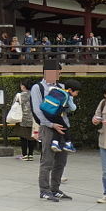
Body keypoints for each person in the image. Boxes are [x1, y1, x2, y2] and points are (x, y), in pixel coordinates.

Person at [29, 67, 74, 202]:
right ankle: (44, 190)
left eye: (59, 73)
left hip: (63, 126)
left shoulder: (62, 86)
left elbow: (68, 107)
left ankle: (55, 188)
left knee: (61, 160)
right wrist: (51, 124)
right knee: (47, 160)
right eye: (56, 72)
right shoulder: (38, 88)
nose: (58, 75)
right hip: (48, 127)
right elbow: (37, 110)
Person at [8, 80, 39, 161]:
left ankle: (25, 155)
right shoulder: (35, 95)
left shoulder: (19, 95)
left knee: (23, 137)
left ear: (23, 86)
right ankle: (31, 155)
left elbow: (14, 105)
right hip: (33, 119)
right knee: (32, 137)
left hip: (22, 119)